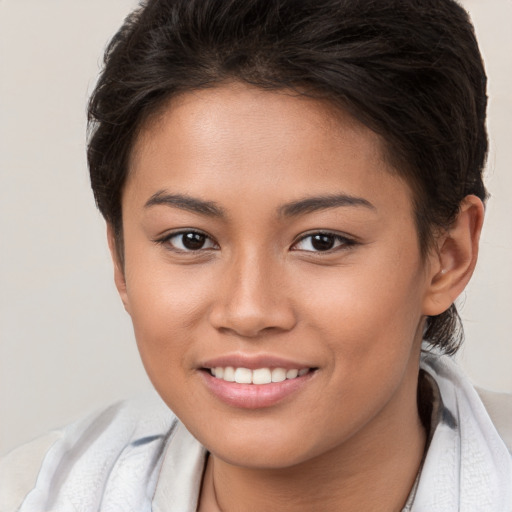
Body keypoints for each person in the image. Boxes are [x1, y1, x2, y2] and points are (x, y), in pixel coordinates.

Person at [1, 0, 511, 510]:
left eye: (321, 241)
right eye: (191, 240)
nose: (248, 312)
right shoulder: (32, 496)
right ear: (121, 260)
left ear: (448, 255)